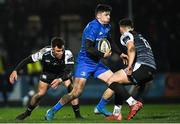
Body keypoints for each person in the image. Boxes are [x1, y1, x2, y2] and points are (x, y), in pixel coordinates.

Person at [45, 4, 140, 121]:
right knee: (76, 93)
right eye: (106, 14)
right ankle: (52, 111)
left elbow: (110, 41)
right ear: (99, 16)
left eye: (109, 14)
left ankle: (100, 107)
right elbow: (88, 47)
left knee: (116, 81)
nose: (109, 17)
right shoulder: (93, 27)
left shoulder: (106, 26)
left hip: (97, 64)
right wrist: (103, 55)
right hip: (84, 63)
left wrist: (120, 54)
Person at [97, 18, 156, 121]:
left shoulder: (126, 35)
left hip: (142, 66)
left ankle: (133, 103)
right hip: (150, 68)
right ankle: (116, 114)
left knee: (111, 80)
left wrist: (129, 66)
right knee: (119, 83)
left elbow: (131, 48)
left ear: (121, 28)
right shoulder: (140, 36)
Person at [9, 37, 82, 120]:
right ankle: (27, 113)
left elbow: (70, 71)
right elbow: (27, 60)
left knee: (72, 89)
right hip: (48, 73)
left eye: (62, 50)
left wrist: (60, 80)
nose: (61, 53)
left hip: (63, 73)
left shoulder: (68, 53)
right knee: (40, 94)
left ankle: (78, 115)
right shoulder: (44, 52)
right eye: (58, 51)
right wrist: (15, 70)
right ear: (52, 49)